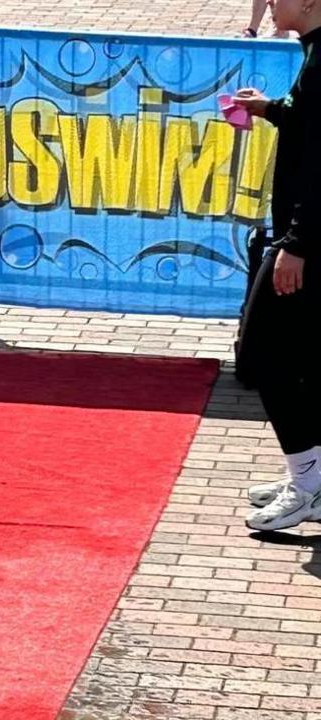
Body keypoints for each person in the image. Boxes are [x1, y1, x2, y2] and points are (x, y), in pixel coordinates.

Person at [232, 0, 320, 531]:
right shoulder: (313, 53)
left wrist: (298, 244)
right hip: (307, 235)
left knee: (262, 353)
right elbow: (309, 121)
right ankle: (311, 474)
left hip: (308, 239)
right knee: (301, 354)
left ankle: (308, 483)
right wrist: (269, 109)